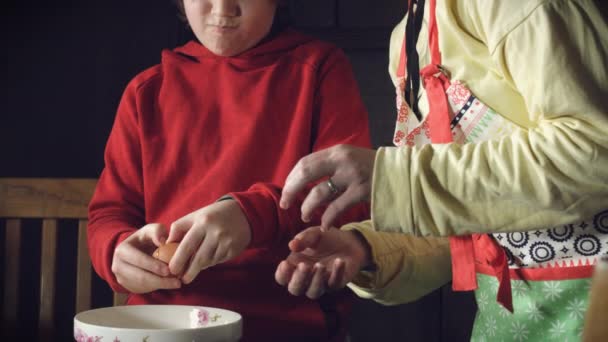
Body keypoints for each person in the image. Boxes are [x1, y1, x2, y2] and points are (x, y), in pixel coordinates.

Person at [276, 0, 608, 340]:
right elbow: (461, 213)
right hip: (511, 325)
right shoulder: (407, 39)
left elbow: (595, 153)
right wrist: (364, 246)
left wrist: (393, 178)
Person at [87, 0, 371, 340]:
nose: (223, 9)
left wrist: (252, 217)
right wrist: (117, 252)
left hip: (285, 323)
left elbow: (348, 195)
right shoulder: (146, 91)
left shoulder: (319, 69)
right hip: (163, 323)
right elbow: (110, 213)